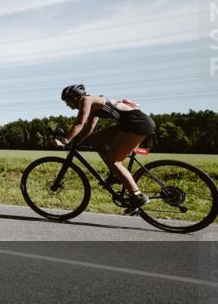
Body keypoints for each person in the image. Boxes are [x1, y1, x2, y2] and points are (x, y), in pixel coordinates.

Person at [55, 84, 157, 213]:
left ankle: (138, 196)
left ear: (75, 97)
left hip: (136, 123)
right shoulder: (93, 104)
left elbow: (79, 123)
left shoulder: (86, 100)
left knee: (113, 160)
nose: (67, 105)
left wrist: (65, 140)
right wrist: (76, 142)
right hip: (131, 123)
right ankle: (116, 174)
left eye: (66, 101)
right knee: (97, 140)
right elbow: (89, 128)